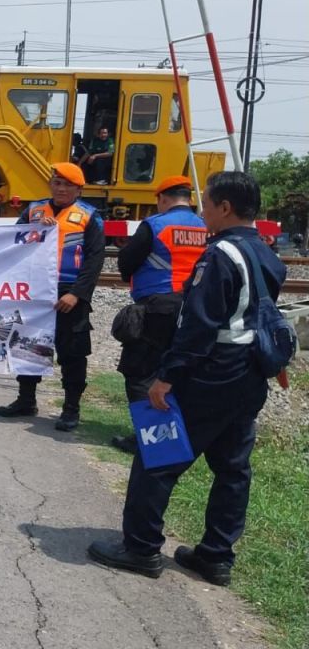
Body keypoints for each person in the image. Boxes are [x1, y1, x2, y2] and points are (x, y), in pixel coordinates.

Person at [88, 172, 286, 587]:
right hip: (250, 374)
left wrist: (166, 378)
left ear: (225, 208)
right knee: (233, 469)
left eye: (207, 204)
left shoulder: (220, 256)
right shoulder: (266, 253)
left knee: (156, 458)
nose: (202, 212)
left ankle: (141, 549)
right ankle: (216, 557)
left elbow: (199, 325)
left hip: (212, 373)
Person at [0, 162, 104, 431]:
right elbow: (12, 243)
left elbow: (95, 260)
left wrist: (78, 294)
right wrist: (34, 230)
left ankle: (71, 409)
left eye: (67, 184)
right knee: (28, 346)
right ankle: (26, 399)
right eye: (57, 183)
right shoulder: (34, 210)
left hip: (69, 293)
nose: (61, 188)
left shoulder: (90, 216)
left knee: (72, 353)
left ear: (79, 189)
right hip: (35, 290)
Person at [109, 176, 207, 453]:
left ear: (163, 198)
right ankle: (175, 434)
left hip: (158, 306)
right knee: (175, 369)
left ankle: (151, 440)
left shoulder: (155, 224)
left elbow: (127, 262)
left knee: (140, 372)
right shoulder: (205, 225)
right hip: (193, 306)